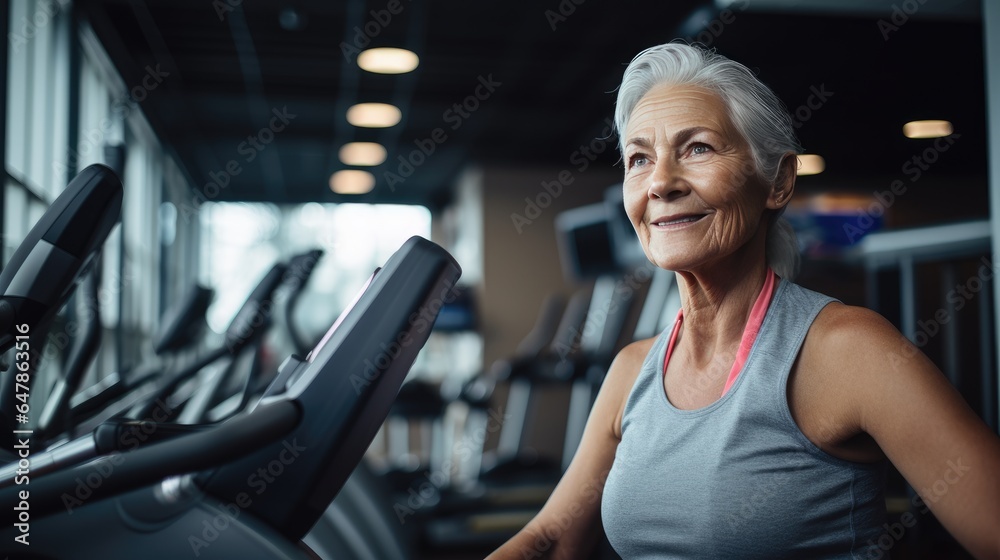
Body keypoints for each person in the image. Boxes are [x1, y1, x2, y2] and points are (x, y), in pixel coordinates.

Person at [488, 42, 1000, 559]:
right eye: (640, 158)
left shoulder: (849, 352)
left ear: (777, 181)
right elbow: (551, 540)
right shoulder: (631, 370)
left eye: (698, 148)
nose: (661, 182)